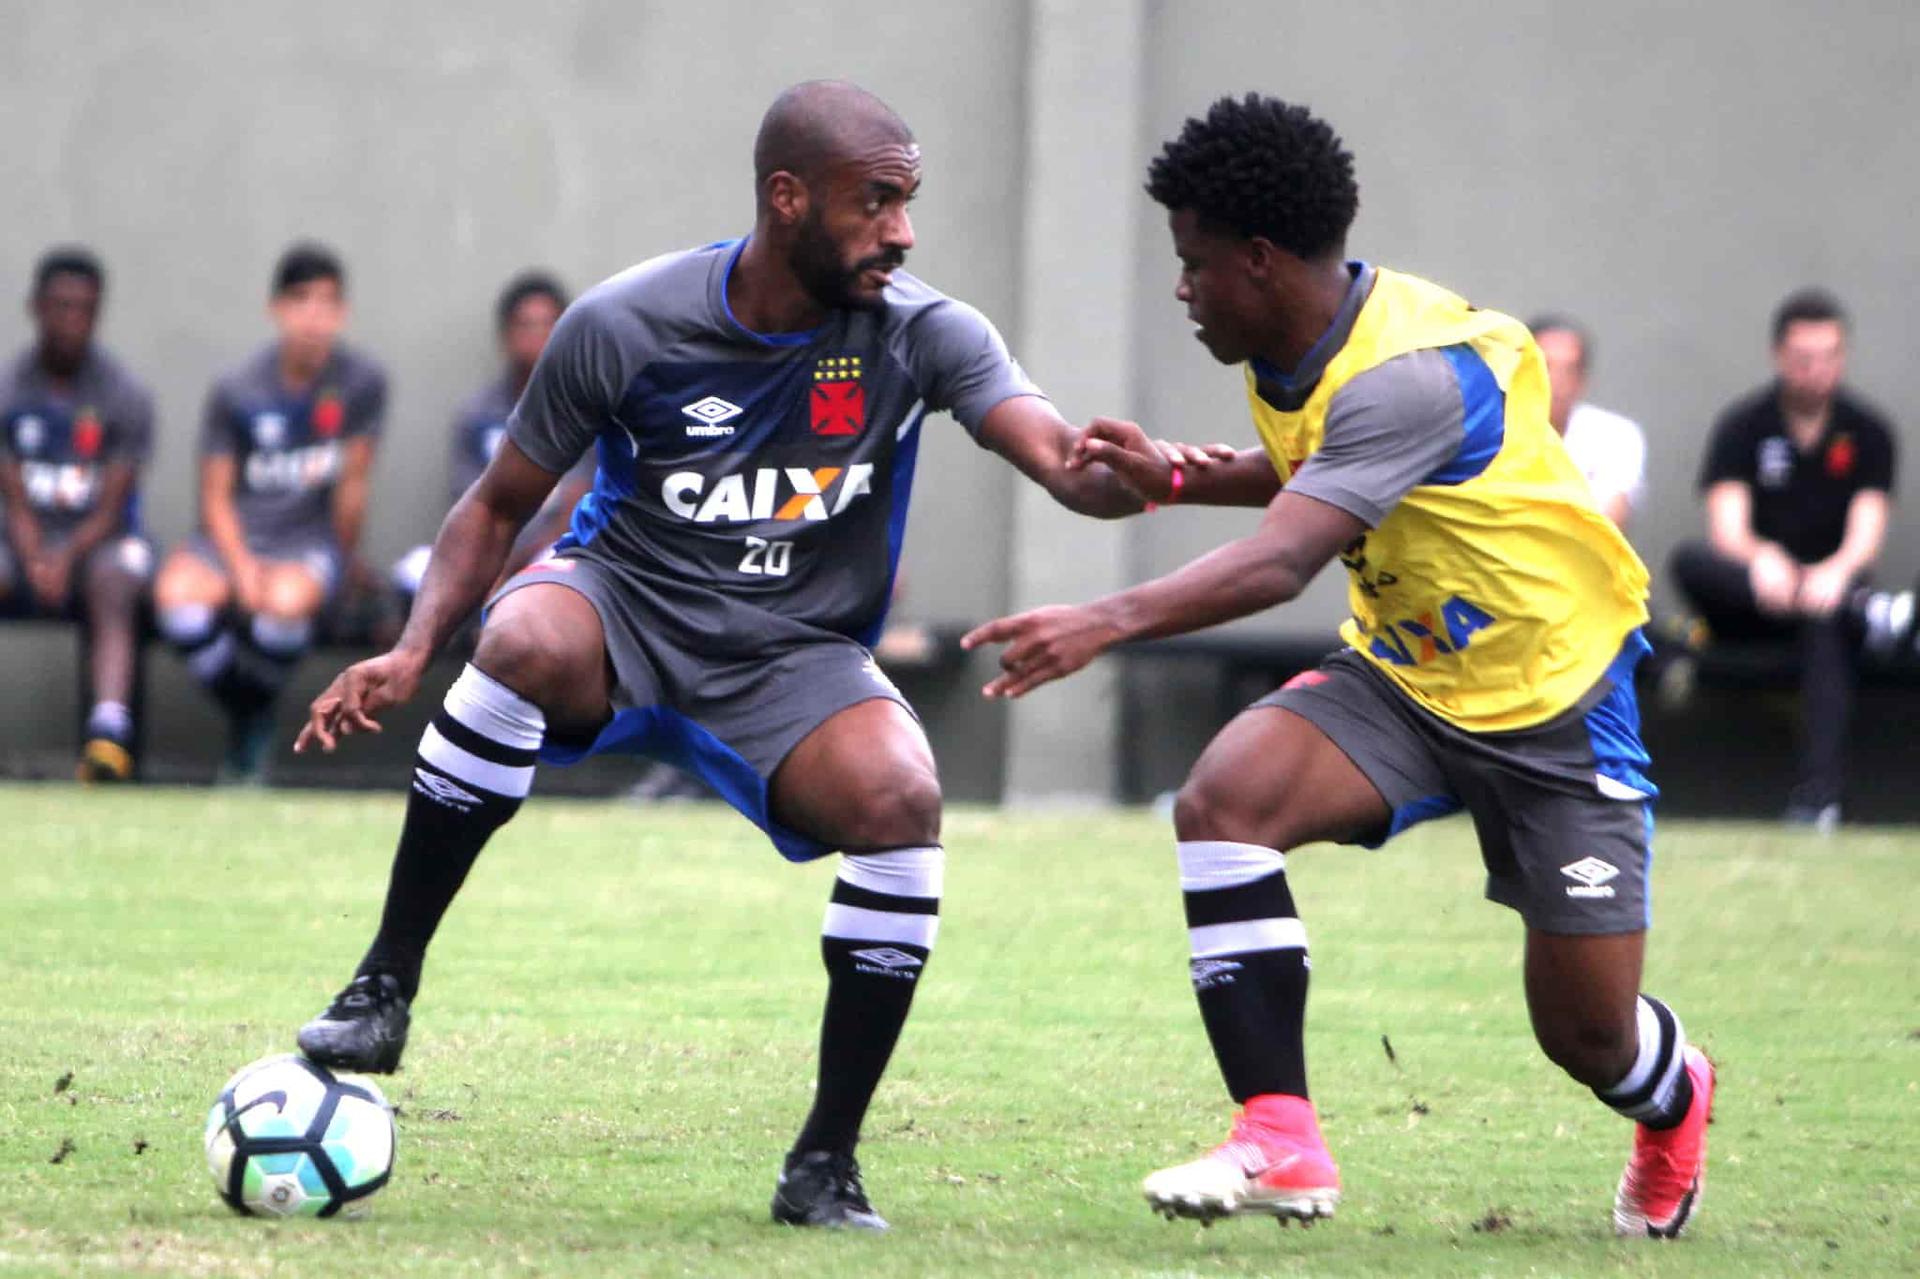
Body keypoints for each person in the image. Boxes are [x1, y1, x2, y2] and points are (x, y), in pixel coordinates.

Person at [286, 81, 1198, 1232]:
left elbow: (1063, 461)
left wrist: (1141, 477)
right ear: (787, 198)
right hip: (625, 605)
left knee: (903, 795)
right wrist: (415, 647)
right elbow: (496, 502)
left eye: (909, 202)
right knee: (518, 633)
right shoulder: (626, 322)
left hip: (794, 658)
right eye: (876, 202)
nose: (903, 231)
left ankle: (822, 1162)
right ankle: (383, 986)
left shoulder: (922, 330)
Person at [963, 95, 1713, 1239]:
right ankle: (1280, 1137)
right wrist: (1171, 477)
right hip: (1405, 684)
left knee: (1588, 1040)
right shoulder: (1294, 347)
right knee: (1223, 800)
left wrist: (1101, 620)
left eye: (1192, 263)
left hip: (1556, 707)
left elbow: (1282, 562)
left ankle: (1679, 1097)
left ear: (1259, 261)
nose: (1182, 288)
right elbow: (1323, 470)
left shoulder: (1408, 371)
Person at [153, 242, 388, 782]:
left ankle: (247, 729)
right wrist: (240, 569)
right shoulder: (237, 387)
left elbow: (354, 487)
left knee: (283, 605)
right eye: (301, 301)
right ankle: (251, 710)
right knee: (176, 598)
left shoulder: (360, 384)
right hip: (234, 541)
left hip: (306, 542)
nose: (315, 317)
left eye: (328, 303)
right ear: (276, 309)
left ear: (343, 313)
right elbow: (214, 495)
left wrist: (342, 563)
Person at [1671, 290, 1897, 828]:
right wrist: (1764, 559)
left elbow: (1866, 535)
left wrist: (1833, 573)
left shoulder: (1869, 432)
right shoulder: (1743, 426)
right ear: (1779, 356)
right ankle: (1876, 615)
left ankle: (1818, 801)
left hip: (1829, 599)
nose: (1817, 370)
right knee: (1691, 561)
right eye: (1803, 358)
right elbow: (1728, 531)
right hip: (1752, 601)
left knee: (1826, 621)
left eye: (1829, 356)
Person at [0, 247, 157, 780]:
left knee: (117, 578)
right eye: (60, 306)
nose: (71, 320)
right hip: (23, 542)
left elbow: (113, 505)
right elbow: (13, 496)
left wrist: (64, 557)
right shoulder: (8, 388)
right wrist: (35, 557)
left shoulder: (123, 393)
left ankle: (108, 733)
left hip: (97, 542)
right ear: (36, 307)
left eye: (84, 309)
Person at [391, 272, 593, 629]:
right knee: (413, 572)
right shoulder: (478, 413)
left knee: (562, 579)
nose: (536, 336)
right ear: (505, 335)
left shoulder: (582, 409)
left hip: (550, 553)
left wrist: (510, 566)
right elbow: (470, 502)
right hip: (485, 554)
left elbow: (575, 508)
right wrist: (488, 566)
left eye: (548, 324)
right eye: (525, 325)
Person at [1530, 315, 1646, 531]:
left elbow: (1607, 525)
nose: (1557, 380)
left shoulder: (1617, 435)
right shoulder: (1489, 433)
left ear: (1583, 379)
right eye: (1546, 366)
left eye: (1570, 370)